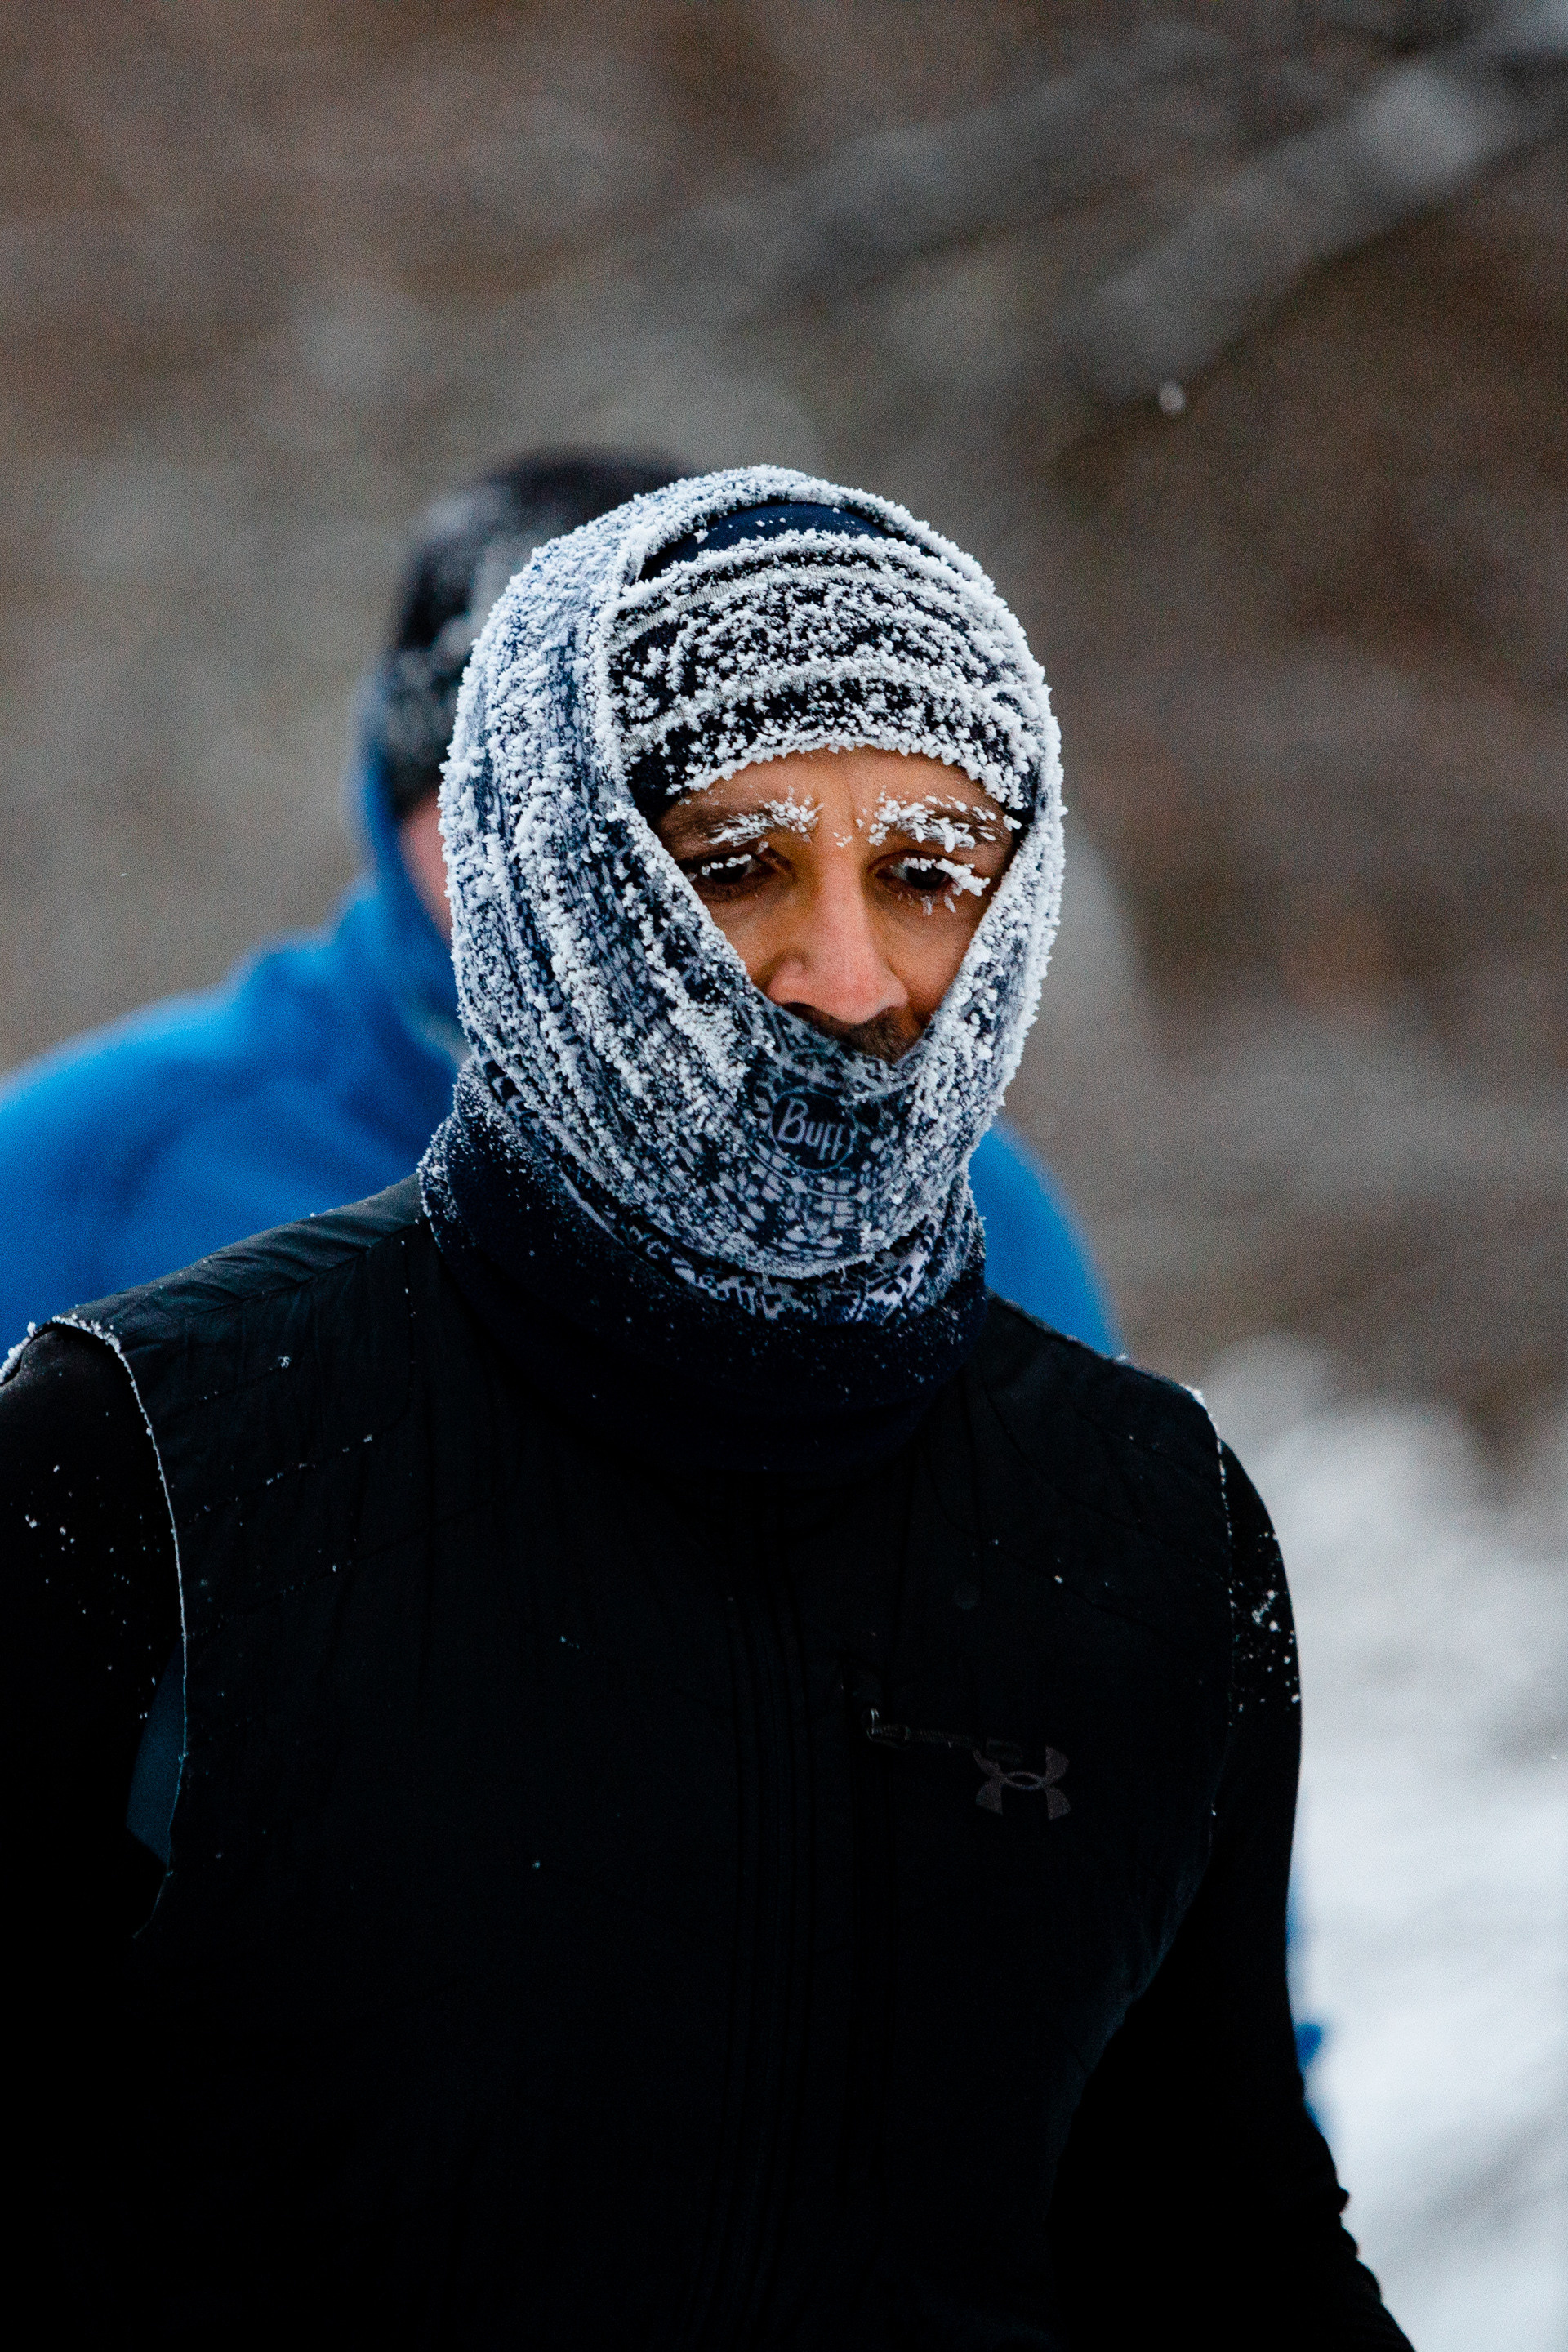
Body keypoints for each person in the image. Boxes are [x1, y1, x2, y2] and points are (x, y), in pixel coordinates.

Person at [3, 471, 1397, 2346]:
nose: (845, 976)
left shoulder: (1152, 1516)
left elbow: (1213, 2228)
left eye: (925, 870)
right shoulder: (135, 1461)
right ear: (558, 864)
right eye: (735, 863)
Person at [0, 455, 1116, 1358]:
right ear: (397, 795)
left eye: (610, 802)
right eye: (476, 779)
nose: (531, 845)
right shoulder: (90, 1170)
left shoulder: (968, 1215)